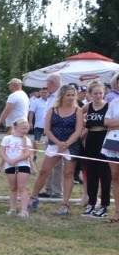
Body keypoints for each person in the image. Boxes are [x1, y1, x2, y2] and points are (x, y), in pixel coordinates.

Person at [28, 84, 84, 215]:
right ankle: (33, 197)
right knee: (43, 171)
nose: (70, 97)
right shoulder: (52, 109)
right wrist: (58, 143)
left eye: (73, 95)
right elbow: (47, 129)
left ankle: (65, 203)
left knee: (68, 173)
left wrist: (66, 144)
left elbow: (78, 130)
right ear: (62, 96)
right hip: (54, 143)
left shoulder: (78, 111)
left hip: (71, 145)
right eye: (68, 95)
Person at [80, 81, 111, 218]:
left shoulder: (109, 106)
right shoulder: (87, 106)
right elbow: (78, 116)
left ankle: (104, 206)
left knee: (104, 174)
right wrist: (83, 126)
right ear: (90, 94)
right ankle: (91, 203)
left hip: (104, 139)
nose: (98, 96)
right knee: (91, 173)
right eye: (95, 93)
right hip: (91, 139)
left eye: (100, 93)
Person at [38, 73, 64, 199]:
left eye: (47, 82)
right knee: (48, 162)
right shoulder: (51, 96)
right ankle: (48, 189)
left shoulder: (60, 96)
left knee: (57, 164)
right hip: (49, 133)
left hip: (57, 134)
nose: (46, 84)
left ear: (51, 83)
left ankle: (57, 191)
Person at [0, 117, 33, 218]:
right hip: (9, 165)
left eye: (26, 128)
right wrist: (8, 161)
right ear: (15, 128)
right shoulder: (7, 138)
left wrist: (15, 160)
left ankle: (24, 211)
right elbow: (2, 152)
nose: (25, 130)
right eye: (23, 128)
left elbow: (27, 153)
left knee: (22, 187)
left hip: (23, 165)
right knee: (13, 187)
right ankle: (12, 209)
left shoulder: (27, 140)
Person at [101, 96, 119, 223]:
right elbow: (107, 123)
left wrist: (114, 124)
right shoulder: (114, 103)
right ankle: (117, 211)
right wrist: (112, 125)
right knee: (116, 176)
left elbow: (112, 124)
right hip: (114, 143)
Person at [28, 87, 50, 163]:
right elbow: (31, 112)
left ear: (49, 93)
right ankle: (35, 155)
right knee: (36, 140)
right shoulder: (36, 102)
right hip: (38, 125)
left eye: (45, 93)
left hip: (49, 125)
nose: (43, 94)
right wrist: (30, 122)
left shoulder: (51, 102)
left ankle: (48, 156)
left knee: (49, 141)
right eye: (42, 92)